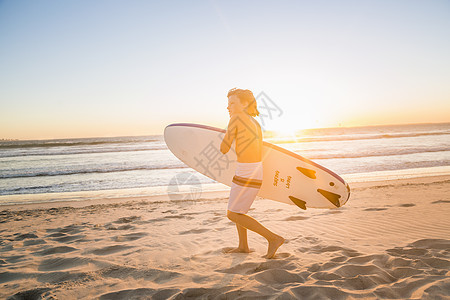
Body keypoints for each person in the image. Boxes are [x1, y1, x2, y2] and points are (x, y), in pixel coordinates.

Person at [220, 88, 284, 259]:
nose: (229, 107)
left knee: (232, 214)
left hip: (247, 171)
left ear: (244, 104)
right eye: (228, 104)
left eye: (232, 103)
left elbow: (224, 148)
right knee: (237, 210)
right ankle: (243, 246)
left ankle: (273, 238)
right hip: (253, 169)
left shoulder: (236, 119)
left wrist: (227, 132)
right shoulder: (254, 122)